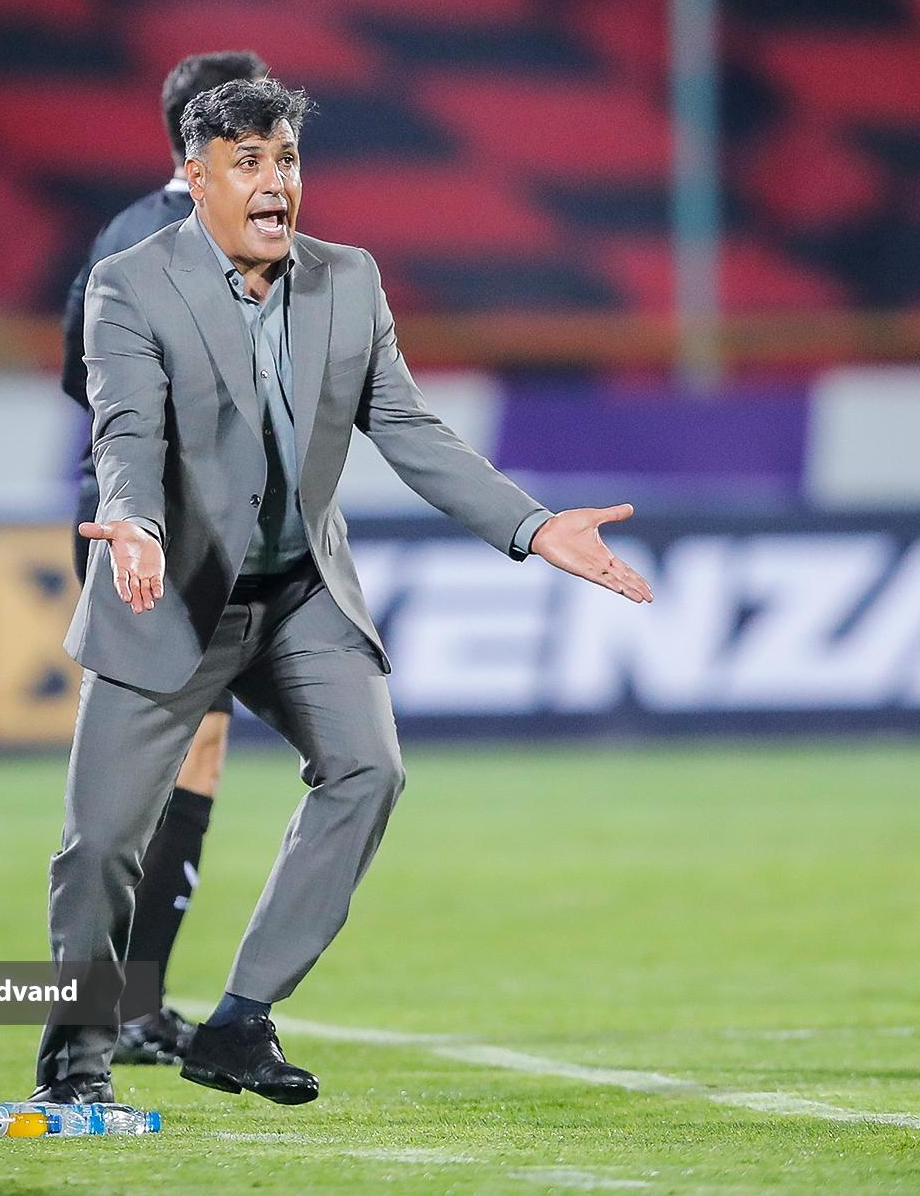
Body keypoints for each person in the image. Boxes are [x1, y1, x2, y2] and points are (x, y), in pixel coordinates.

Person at [33, 77, 654, 1107]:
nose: (275, 183)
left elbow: (408, 428)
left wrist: (533, 523)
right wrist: (134, 523)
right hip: (170, 592)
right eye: (248, 163)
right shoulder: (129, 286)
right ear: (196, 179)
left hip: (298, 596)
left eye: (286, 160)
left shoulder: (349, 280)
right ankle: (76, 1055)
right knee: (99, 845)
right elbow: (126, 432)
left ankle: (239, 1021)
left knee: (369, 770)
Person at [57, 49, 269, 1068]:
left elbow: (77, 369)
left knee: (191, 749)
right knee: (157, 764)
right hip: (157, 527)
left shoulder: (125, 232)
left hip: (165, 523)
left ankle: (130, 1004)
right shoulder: (178, 243)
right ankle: (108, 1014)